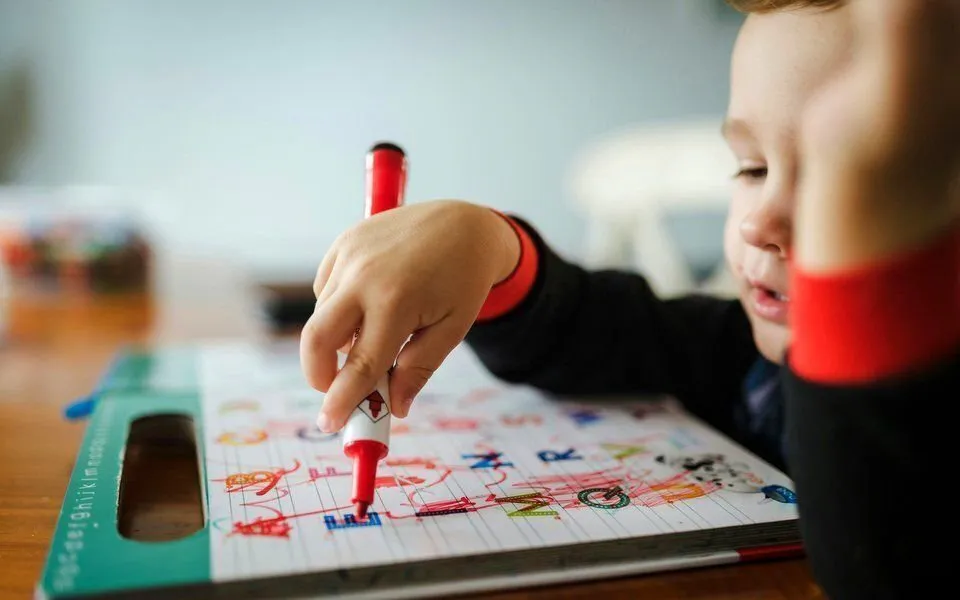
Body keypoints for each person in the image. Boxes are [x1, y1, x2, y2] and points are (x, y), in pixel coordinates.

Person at [300, 0, 958, 597]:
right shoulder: (746, 364)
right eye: (752, 168)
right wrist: (489, 247)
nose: (760, 222)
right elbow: (600, 332)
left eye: (860, 177)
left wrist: (869, 277)